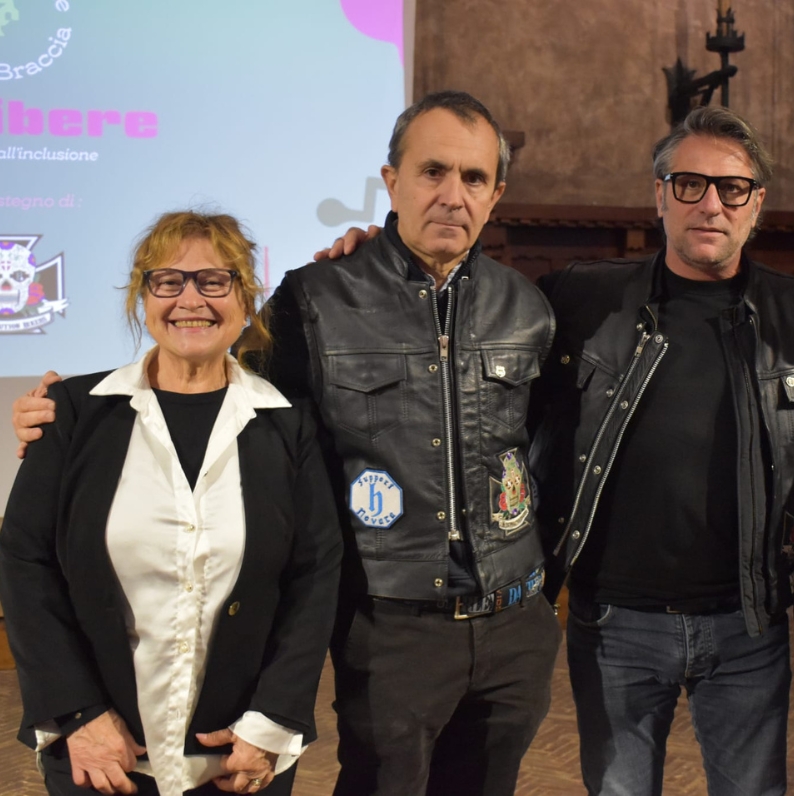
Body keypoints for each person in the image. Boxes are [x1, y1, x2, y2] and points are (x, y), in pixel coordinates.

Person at [13, 92, 561, 796]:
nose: (452, 194)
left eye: (474, 177)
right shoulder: (316, 299)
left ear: (496, 195)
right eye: (432, 171)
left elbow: (549, 449)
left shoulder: (530, 306)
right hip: (392, 625)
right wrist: (62, 417)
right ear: (392, 181)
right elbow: (212, 383)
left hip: (516, 624)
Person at [526, 107, 794, 795]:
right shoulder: (580, 297)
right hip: (615, 623)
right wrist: (379, 253)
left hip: (747, 624)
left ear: (757, 204)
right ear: (659, 195)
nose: (711, 205)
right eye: (690, 184)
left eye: (733, 188)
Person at [0, 211, 342, 796]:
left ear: (244, 298)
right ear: (143, 297)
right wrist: (75, 713)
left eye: (214, 280)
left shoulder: (289, 424)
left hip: (238, 757)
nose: (191, 299)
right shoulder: (73, 411)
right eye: (168, 281)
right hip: (101, 758)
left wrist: (273, 722)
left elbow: (315, 576)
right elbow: (25, 561)